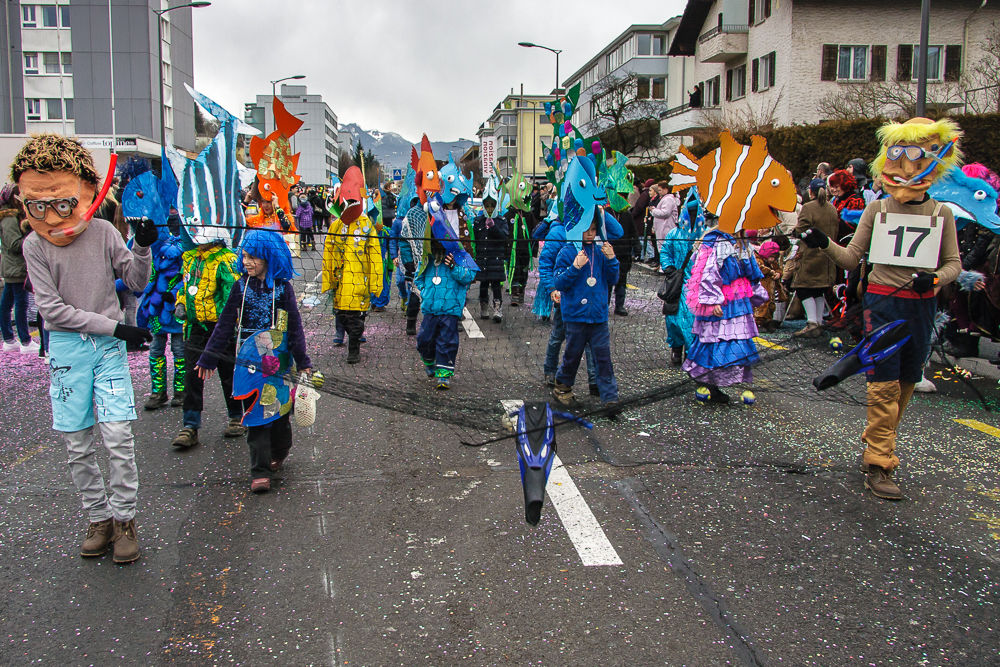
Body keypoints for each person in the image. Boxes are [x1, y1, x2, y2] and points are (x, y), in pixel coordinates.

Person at [801, 117, 963, 500]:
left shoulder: (941, 213)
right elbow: (851, 258)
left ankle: (879, 442)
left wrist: (934, 279)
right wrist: (824, 242)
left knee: (906, 382)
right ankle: (879, 462)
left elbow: (954, 264)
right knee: (883, 384)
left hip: (920, 309)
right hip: (882, 304)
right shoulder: (877, 210)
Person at [19, 133, 155, 563]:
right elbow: (52, 310)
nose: (50, 215)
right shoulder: (34, 245)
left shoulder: (102, 232)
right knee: (77, 442)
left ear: (83, 193)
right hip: (67, 351)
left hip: (107, 350)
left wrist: (142, 246)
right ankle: (99, 518)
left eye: (60, 204)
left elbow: (135, 281)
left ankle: (125, 519)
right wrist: (115, 327)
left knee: (117, 436)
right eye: (37, 206)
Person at [196, 230, 311, 493]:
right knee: (256, 415)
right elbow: (224, 325)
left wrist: (303, 361)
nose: (246, 262)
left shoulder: (282, 289)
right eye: (244, 256)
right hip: (249, 363)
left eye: (253, 257)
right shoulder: (240, 287)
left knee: (278, 414)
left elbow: (294, 328)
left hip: (277, 362)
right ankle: (260, 471)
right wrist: (208, 359)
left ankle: (280, 450)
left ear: (269, 258)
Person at [169, 239, 245, 448]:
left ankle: (237, 416)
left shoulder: (226, 259)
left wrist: (228, 324)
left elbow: (232, 294)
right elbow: (185, 287)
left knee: (228, 373)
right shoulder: (190, 258)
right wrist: (181, 302)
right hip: (195, 329)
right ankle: (190, 425)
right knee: (191, 376)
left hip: (221, 329)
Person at [683, 228, 769, 404]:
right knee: (714, 341)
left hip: (739, 302)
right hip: (723, 301)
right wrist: (712, 300)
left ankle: (716, 383)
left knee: (735, 343)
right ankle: (708, 384)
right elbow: (708, 273)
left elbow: (752, 273)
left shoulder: (743, 244)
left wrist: (757, 294)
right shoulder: (718, 242)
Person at [551, 213, 620, 407]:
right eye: (585, 230)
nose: (590, 234)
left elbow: (613, 279)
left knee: (603, 357)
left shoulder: (600, 251)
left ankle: (610, 398)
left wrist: (612, 259)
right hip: (575, 315)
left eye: (593, 229)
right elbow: (559, 282)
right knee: (572, 355)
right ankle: (562, 386)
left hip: (598, 316)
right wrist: (575, 267)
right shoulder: (567, 252)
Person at [321, 166, 383, 363]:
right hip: (341, 284)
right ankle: (351, 338)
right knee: (342, 316)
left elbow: (375, 256)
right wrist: (328, 279)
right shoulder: (336, 226)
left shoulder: (366, 226)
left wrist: (376, 282)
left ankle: (354, 348)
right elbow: (328, 254)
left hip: (359, 283)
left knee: (356, 319)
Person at [413, 239, 476, 390]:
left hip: (450, 309)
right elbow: (418, 278)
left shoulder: (460, 256)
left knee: (447, 341)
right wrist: (426, 290)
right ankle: (429, 360)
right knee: (424, 339)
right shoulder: (427, 259)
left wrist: (454, 266)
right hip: (430, 308)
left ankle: (443, 374)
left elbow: (469, 277)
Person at [791, 179, 841, 338]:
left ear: (810, 191)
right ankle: (818, 322)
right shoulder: (832, 208)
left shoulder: (808, 207)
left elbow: (801, 229)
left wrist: (794, 232)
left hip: (810, 255)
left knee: (803, 288)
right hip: (828, 255)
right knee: (819, 290)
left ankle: (812, 323)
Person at [0, 185, 39, 354]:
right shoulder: (9, 219)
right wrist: (30, 235)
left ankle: (10, 339)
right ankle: (25, 341)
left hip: (13, 267)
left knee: (8, 303)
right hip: (16, 267)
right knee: (20, 304)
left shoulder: (11, 217)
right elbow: (14, 245)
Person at [472, 183, 509, 322]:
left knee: (496, 285)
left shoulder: (501, 221)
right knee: (483, 284)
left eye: (492, 206)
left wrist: (493, 227)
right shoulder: (478, 221)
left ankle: (497, 309)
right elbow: (475, 239)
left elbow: (504, 238)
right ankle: (484, 307)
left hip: (496, 258)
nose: (489, 209)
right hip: (483, 258)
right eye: (487, 206)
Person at [609, 196, 641, 316]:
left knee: (622, 280)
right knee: (607, 281)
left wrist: (637, 248)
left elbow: (633, 232)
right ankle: (604, 305)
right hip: (609, 252)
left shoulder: (627, 214)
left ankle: (619, 305)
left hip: (624, 252)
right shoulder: (607, 213)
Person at [753, 240, 785, 332]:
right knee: (761, 306)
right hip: (760, 287)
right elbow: (758, 269)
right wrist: (770, 271)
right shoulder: (757, 259)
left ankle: (768, 321)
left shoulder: (773, 263)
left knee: (771, 305)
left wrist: (778, 274)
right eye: (771, 257)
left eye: (774, 257)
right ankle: (758, 322)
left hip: (771, 288)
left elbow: (779, 269)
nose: (772, 259)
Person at [828, 169, 867, 235]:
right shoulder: (835, 199)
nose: (833, 189)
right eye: (831, 186)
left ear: (845, 186)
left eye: (836, 187)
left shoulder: (856, 201)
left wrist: (830, 221)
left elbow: (852, 227)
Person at [651, 182, 679, 269]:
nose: (658, 192)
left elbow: (666, 213)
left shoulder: (668, 199)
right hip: (663, 227)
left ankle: (666, 268)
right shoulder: (667, 199)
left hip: (665, 227)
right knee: (664, 247)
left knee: (665, 248)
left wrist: (654, 210)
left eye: (660, 190)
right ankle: (663, 266)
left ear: (666, 190)